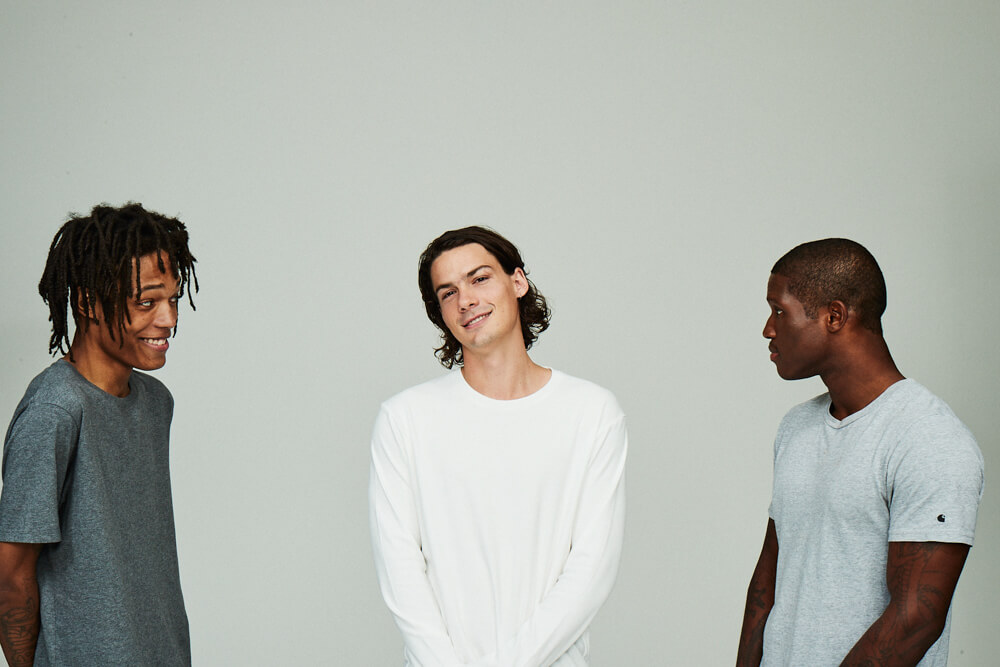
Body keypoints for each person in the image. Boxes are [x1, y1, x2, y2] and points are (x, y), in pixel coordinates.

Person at [369, 227, 627, 666]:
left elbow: (591, 570)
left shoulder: (592, 412)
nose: (465, 300)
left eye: (480, 278)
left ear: (517, 281)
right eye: (448, 292)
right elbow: (400, 573)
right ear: (440, 313)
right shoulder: (405, 419)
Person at [736, 238, 984, 667]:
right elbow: (768, 579)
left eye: (779, 311)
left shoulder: (929, 438)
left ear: (834, 316)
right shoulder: (796, 427)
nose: (768, 329)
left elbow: (917, 618)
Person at [0, 203, 198, 666]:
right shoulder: (55, 411)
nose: (168, 319)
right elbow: (11, 575)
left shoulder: (155, 403)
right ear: (89, 302)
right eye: (147, 302)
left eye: (173, 299)